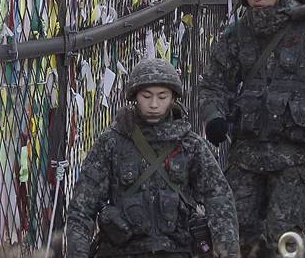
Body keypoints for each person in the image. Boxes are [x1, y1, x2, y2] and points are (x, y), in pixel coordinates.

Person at [199, 0, 305, 258]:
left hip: (294, 156)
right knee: (239, 234)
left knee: (285, 240)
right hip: (247, 154)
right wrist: (214, 117)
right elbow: (214, 83)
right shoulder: (236, 34)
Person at [66, 58, 240, 258]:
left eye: (162, 96)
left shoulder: (189, 144)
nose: (154, 104)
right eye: (146, 96)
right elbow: (82, 208)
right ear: (135, 97)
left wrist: (228, 251)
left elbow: (218, 199)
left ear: (173, 98)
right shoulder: (112, 143)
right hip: (122, 251)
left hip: (177, 250)